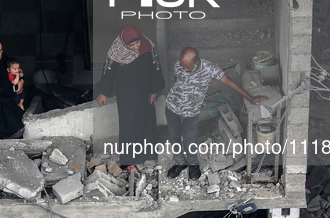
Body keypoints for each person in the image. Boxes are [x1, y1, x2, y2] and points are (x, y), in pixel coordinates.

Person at [165, 47, 268, 180]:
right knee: (174, 137)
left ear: (197, 62)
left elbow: (230, 83)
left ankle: (193, 164)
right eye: (183, 66)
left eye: (187, 67)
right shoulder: (179, 65)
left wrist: (250, 98)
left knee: (189, 140)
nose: (184, 69)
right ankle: (180, 162)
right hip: (172, 107)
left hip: (191, 113)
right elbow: (177, 79)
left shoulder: (209, 69)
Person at [95, 25, 165, 165]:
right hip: (126, 95)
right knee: (128, 126)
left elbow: (156, 69)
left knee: (147, 124)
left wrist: (154, 90)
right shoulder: (115, 53)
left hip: (145, 94)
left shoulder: (148, 48)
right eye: (131, 45)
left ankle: (149, 157)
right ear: (124, 43)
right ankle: (130, 160)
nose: (135, 47)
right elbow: (107, 72)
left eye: (137, 43)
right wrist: (103, 92)